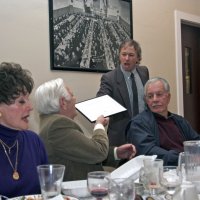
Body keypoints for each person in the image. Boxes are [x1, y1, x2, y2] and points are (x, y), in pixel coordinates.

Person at [34, 78, 136, 181]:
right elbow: (98, 152)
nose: (75, 99)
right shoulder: (57, 125)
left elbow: (84, 151)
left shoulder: (50, 123)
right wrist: (99, 125)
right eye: (72, 95)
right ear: (63, 102)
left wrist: (116, 153)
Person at [126, 77, 200, 166]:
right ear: (146, 100)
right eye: (150, 96)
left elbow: (196, 142)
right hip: (162, 171)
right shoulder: (138, 123)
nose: (155, 99)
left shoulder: (179, 121)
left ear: (168, 97)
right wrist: (184, 159)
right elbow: (148, 151)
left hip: (188, 168)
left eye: (159, 94)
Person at [0, 62, 48, 198]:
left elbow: (46, 192)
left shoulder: (34, 141)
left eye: (28, 99)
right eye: (21, 102)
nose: (30, 107)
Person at [96, 39, 149, 146]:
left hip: (144, 133)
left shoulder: (144, 72)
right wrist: (100, 111)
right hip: (121, 137)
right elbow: (101, 100)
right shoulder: (109, 78)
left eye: (131, 55)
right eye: (123, 54)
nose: (127, 58)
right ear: (119, 56)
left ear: (138, 58)